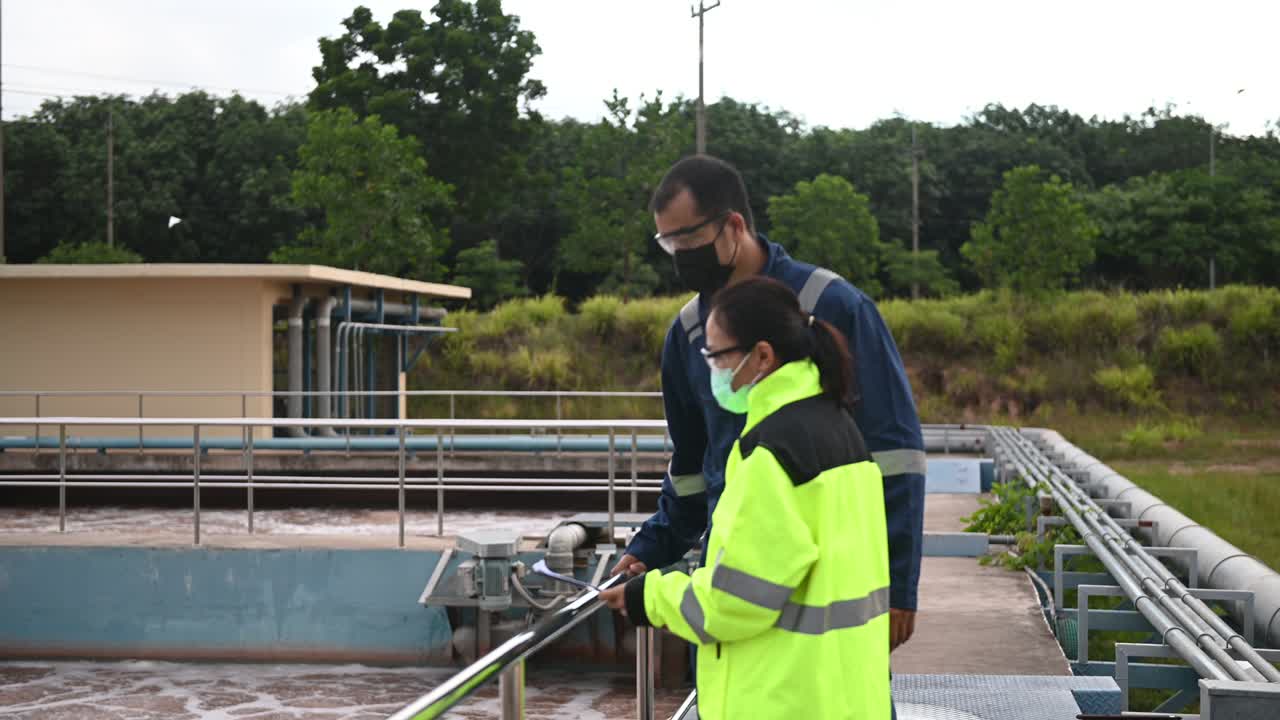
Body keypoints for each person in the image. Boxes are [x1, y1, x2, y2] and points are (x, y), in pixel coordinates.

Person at [610, 155, 925, 652]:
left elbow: (895, 454)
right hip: (733, 582)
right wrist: (654, 546)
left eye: (687, 242)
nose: (679, 257)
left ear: (733, 226)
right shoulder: (688, 333)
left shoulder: (836, 306)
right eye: (668, 245)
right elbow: (693, 464)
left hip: (831, 587)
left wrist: (900, 584)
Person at [601, 276, 891, 719]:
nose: (711, 370)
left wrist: (648, 597)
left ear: (762, 356)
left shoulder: (770, 453)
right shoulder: (840, 428)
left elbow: (732, 603)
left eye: (717, 356)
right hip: (843, 694)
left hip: (781, 699)